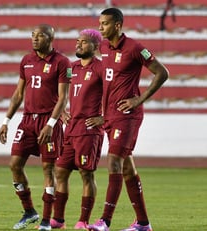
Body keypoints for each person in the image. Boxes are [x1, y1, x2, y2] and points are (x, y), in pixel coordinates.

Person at [88, 8, 169, 231]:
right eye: (99, 23)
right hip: (110, 116)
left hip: (128, 115)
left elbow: (162, 72)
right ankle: (143, 223)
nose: (100, 27)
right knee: (127, 169)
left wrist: (138, 99)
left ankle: (105, 221)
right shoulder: (103, 47)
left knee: (113, 160)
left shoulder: (134, 48)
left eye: (104, 23)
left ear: (117, 25)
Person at [0, 24, 71, 231]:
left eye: (40, 36)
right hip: (28, 120)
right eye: (33, 35)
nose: (35, 39)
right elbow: (18, 94)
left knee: (48, 169)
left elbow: (63, 97)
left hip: (49, 121)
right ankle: (29, 211)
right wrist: (6, 121)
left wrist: (51, 124)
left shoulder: (62, 62)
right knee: (14, 164)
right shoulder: (26, 60)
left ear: (50, 39)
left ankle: (46, 221)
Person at [50, 29, 104, 230]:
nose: (78, 45)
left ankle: (83, 220)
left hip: (89, 131)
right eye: (77, 41)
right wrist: (61, 110)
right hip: (71, 129)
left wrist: (104, 117)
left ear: (96, 46)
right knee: (61, 171)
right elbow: (59, 92)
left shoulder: (101, 68)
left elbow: (114, 94)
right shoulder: (72, 68)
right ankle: (58, 220)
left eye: (84, 42)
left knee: (86, 174)